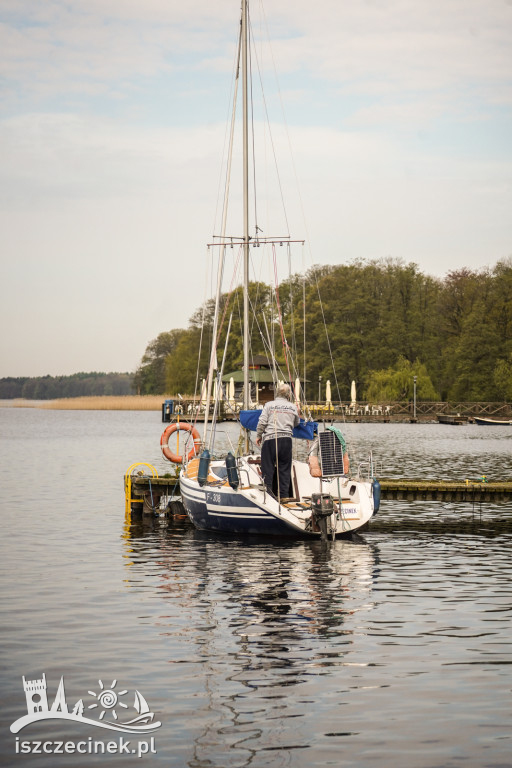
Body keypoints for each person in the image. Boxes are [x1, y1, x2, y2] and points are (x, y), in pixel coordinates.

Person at [256, 383, 300, 499]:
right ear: (288, 395)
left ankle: (269, 496)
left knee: (268, 469)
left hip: (271, 439)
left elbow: (262, 422)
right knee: (284, 470)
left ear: (277, 393)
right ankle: (284, 496)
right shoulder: (293, 407)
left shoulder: (269, 405)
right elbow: (296, 423)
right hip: (286, 440)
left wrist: (259, 435)